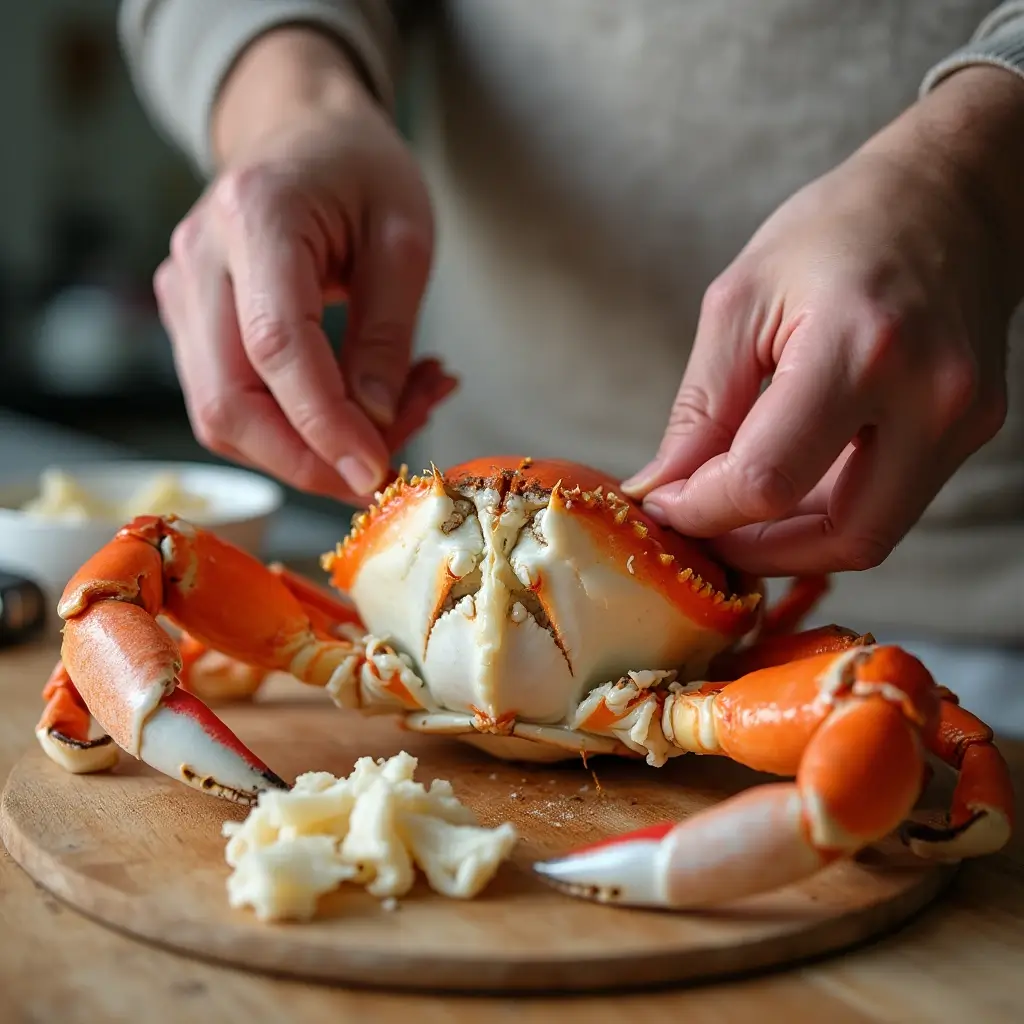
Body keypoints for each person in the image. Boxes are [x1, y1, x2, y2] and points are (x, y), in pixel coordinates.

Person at [118, 1, 1024, 729]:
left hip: (967, 589)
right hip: (482, 414)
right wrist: (290, 106)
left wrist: (974, 176)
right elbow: (139, 574)